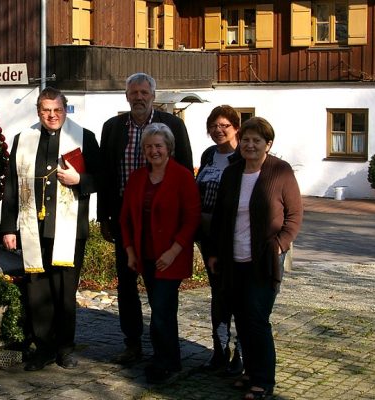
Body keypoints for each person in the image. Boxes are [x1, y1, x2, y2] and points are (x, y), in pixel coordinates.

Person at [0, 87, 100, 371]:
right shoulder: (24, 139)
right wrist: (8, 227)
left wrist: (79, 178)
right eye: (46, 110)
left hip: (69, 230)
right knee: (37, 291)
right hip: (34, 228)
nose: (52, 115)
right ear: (38, 112)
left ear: (65, 109)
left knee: (65, 291)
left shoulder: (85, 138)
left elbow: (102, 179)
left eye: (57, 110)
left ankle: (65, 348)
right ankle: (42, 347)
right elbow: (11, 186)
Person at [97, 72, 193, 365]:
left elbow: (186, 168)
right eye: (133, 92)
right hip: (127, 223)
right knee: (126, 287)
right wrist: (104, 217)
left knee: (160, 290)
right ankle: (132, 343)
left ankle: (164, 350)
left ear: (153, 95)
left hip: (163, 225)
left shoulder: (173, 125)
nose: (138, 97)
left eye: (144, 92)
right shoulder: (112, 127)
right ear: (126, 96)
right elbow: (105, 175)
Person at [209, 117, 303, 400]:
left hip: (263, 259)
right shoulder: (232, 173)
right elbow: (220, 218)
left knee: (257, 318)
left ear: (268, 144)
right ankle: (249, 372)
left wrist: (279, 245)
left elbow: (294, 215)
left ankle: (264, 380)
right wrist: (214, 252)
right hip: (232, 258)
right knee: (241, 316)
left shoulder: (280, 171)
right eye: (246, 139)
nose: (250, 145)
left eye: (257, 141)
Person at [119, 123, 200, 383]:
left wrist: (174, 251)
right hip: (146, 255)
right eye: (149, 146)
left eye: (159, 146)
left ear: (169, 148)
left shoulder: (182, 176)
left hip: (170, 257)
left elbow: (192, 218)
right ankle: (170, 357)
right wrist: (131, 252)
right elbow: (125, 219)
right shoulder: (137, 178)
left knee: (162, 309)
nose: (154, 151)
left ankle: (163, 362)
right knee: (158, 307)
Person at [196, 105, 244, 375]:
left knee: (238, 296)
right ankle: (219, 352)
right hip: (207, 240)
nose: (218, 130)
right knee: (218, 296)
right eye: (214, 126)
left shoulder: (242, 157)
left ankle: (241, 355)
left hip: (233, 239)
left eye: (224, 125)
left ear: (236, 127)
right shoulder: (208, 155)